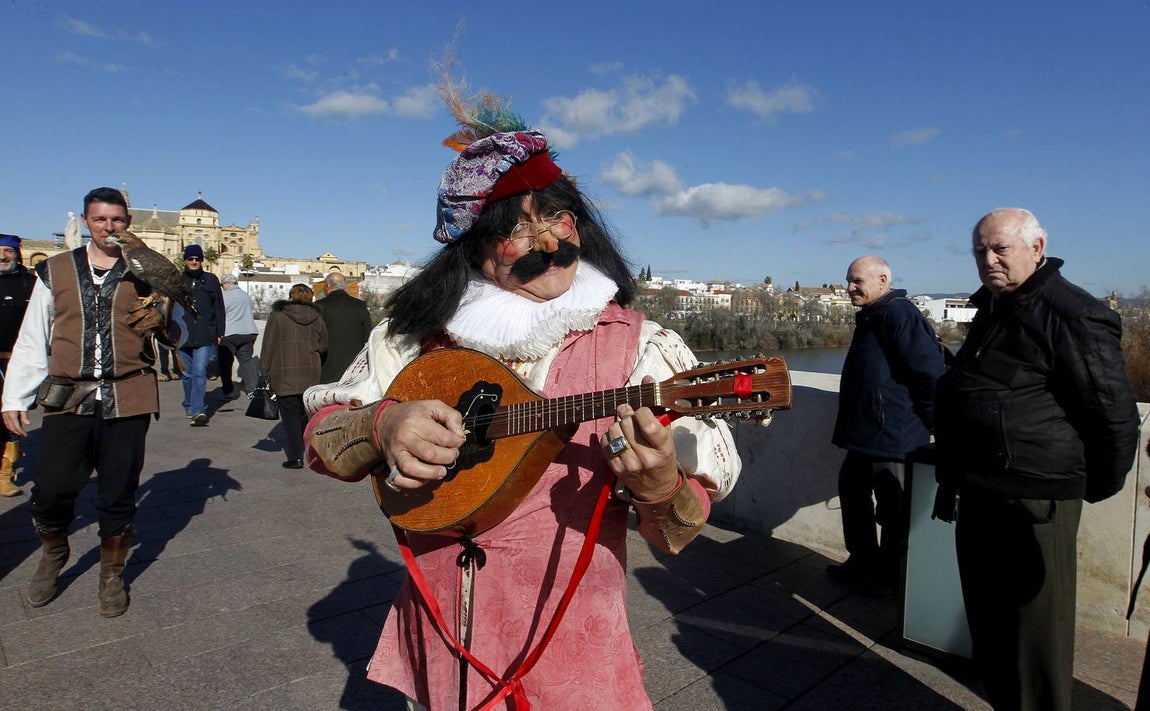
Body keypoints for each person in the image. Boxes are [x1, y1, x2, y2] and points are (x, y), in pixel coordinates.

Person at [302, 130, 742, 709]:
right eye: (514, 228)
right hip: (441, 635)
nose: (546, 240)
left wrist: (660, 484)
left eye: (558, 216)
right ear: (472, 246)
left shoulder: (644, 350)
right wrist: (381, 425)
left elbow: (680, 533)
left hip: (571, 650)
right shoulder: (412, 341)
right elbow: (320, 442)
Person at [935, 208, 1139, 710]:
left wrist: (1081, 489)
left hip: (1033, 500)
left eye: (1000, 248)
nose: (988, 260)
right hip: (983, 490)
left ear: (1037, 247)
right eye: (980, 250)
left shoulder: (1073, 314)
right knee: (994, 634)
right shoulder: (996, 306)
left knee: (1033, 643)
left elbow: (1114, 419)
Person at [1, 186, 180, 617]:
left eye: (116, 220)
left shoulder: (144, 270)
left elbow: (182, 334)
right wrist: (15, 397)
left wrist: (164, 321)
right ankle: (54, 551)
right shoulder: (56, 271)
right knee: (51, 489)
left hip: (129, 394)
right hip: (69, 395)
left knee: (119, 491)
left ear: (128, 223)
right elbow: (32, 338)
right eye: (100, 220)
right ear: (85, 222)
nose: (108, 227)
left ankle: (111, 574)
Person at [827, 256, 944, 595]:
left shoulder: (899, 314)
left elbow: (929, 373)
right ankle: (863, 562)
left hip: (895, 434)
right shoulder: (874, 315)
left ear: (882, 281)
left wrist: (936, 422)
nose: (849, 287)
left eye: (857, 281)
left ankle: (892, 579)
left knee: (893, 509)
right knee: (853, 492)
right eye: (849, 280)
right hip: (867, 432)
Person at [260, 283, 326, 469]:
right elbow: (324, 344)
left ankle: (295, 456)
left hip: (284, 371)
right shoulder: (317, 317)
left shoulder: (278, 316)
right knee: (304, 414)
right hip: (310, 372)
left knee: (289, 416)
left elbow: (268, 345)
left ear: (290, 296)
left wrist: (264, 371)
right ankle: (309, 450)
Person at [0, 234, 38, 497]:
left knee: (11, 417)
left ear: (17, 254)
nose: (3, 256)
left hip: (17, 362)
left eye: (8, 251)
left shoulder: (31, 284)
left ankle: (5, 474)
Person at [177, 244, 225, 424]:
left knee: (199, 372)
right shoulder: (177, 280)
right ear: (186, 260)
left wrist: (220, 331)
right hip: (182, 335)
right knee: (187, 374)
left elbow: (219, 307)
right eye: (191, 259)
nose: (194, 261)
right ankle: (189, 404)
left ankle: (198, 410)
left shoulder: (211, 280)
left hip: (206, 334)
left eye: (197, 259)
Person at [314, 271, 372, 384]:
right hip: (353, 368)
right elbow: (368, 335)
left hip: (326, 366)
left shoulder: (319, 306)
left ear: (328, 286)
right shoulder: (359, 306)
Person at [218, 274, 259, 399]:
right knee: (247, 361)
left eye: (222, 285)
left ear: (226, 284)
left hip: (230, 333)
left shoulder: (224, 297)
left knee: (226, 363)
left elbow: (220, 314)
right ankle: (253, 390)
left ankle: (228, 391)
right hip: (249, 332)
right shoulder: (245, 296)